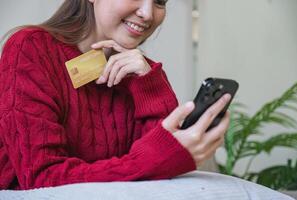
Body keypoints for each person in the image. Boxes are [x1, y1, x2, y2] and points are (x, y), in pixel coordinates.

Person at [0, 0, 231, 190]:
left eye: (159, 2)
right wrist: (157, 159)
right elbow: (42, 178)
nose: (147, 13)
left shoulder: (143, 73)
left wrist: (150, 86)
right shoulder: (30, 49)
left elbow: (163, 183)